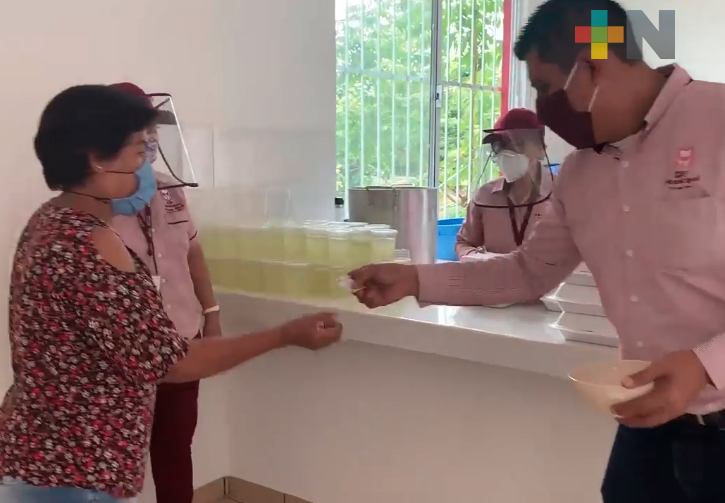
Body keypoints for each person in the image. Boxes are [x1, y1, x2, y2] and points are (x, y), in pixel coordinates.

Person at [349, 0, 725, 501]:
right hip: (649, 419)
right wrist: (416, 278)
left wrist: (705, 365)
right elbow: (527, 272)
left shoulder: (717, 122)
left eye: (547, 87)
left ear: (596, 63)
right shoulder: (581, 175)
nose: (546, 109)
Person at [0, 85, 342, 503]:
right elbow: (171, 362)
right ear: (96, 158)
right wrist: (284, 334)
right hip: (73, 465)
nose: (146, 163)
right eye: (137, 150)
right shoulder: (88, 243)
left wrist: (210, 314)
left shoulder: (51, 220)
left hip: (41, 451)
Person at [108, 82, 213, 503]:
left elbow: (193, 253)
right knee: (115, 455)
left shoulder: (170, 189)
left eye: (151, 129)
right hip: (125, 353)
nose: (148, 139)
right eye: (138, 131)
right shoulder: (93, 206)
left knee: (175, 449)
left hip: (183, 338)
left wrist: (212, 313)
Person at [456, 108, 553, 259]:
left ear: (541, 149)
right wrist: (477, 258)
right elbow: (463, 243)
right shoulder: (484, 197)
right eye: (499, 145)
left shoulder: (565, 193)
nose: (506, 152)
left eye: (517, 143)